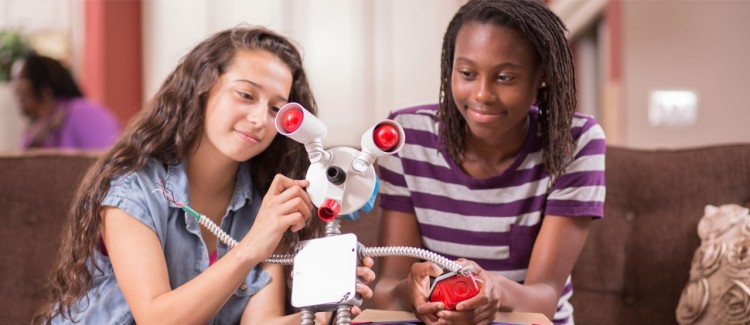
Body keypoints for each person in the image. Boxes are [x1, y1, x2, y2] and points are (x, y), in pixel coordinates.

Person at [33, 26, 375, 324]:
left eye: (275, 108)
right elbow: (156, 319)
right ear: (202, 88)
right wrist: (251, 248)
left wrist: (323, 313)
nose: (260, 119)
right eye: (245, 94)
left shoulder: (262, 204)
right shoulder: (131, 188)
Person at [372, 0, 606, 324]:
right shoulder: (406, 137)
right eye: (467, 73)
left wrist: (494, 290)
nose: (482, 94)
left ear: (540, 76)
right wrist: (406, 292)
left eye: (505, 77)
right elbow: (386, 286)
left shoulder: (575, 141)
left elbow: (546, 297)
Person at [11, 53, 121, 149]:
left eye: (23, 79)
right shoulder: (34, 131)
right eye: (14, 80)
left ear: (46, 86)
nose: (15, 87)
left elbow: (106, 164)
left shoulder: (83, 112)